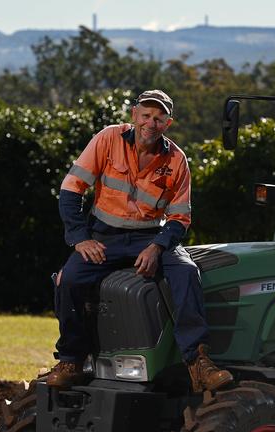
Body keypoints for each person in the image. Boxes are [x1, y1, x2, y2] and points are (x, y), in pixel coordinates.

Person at [47, 89, 233, 393]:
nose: (151, 122)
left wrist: (157, 247)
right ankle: (72, 360)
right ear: (134, 115)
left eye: (158, 118)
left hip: (149, 236)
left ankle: (198, 362)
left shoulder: (176, 160)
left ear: (168, 124)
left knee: (186, 272)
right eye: (146, 115)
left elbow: (179, 218)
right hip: (103, 237)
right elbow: (71, 189)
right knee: (68, 280)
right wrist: (80, 238)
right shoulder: (108, 139)